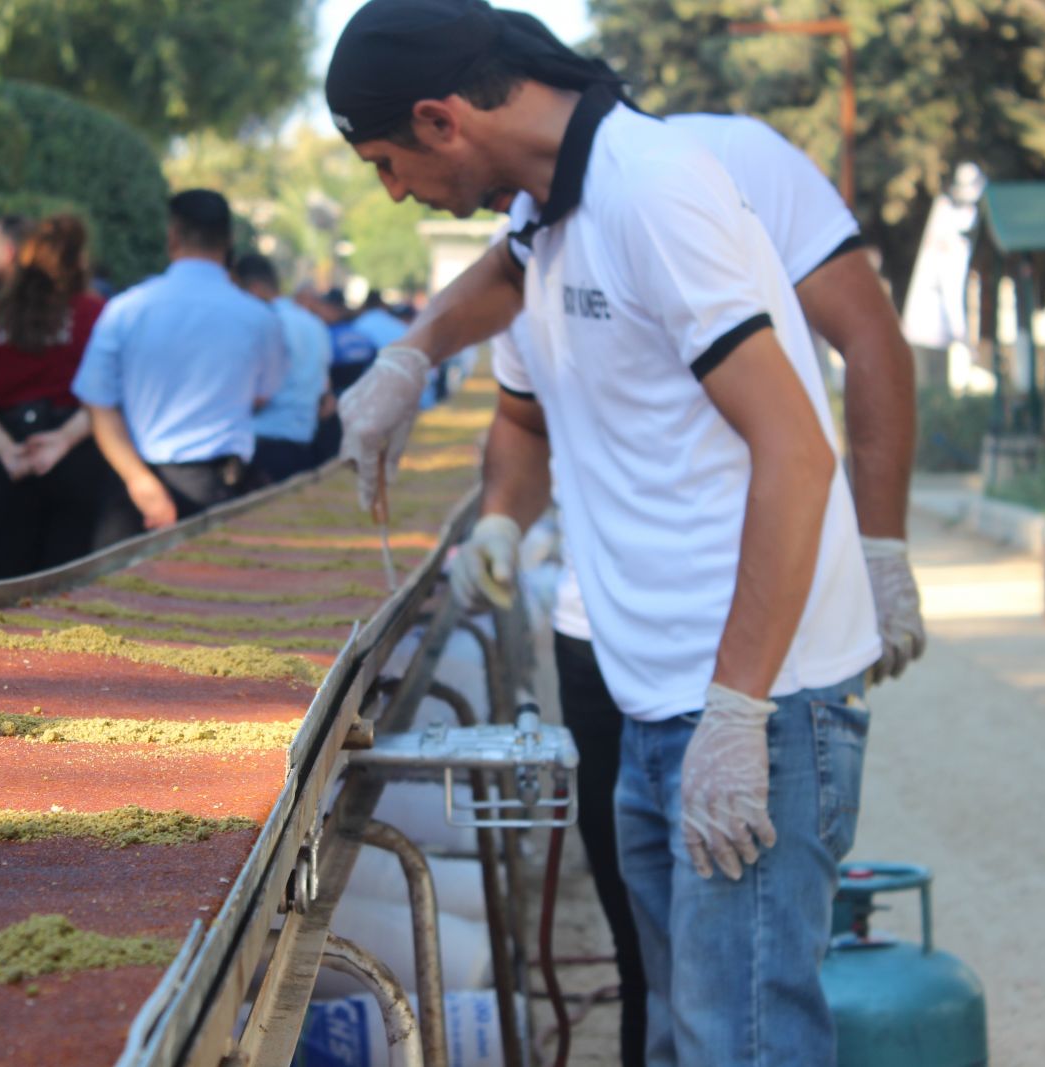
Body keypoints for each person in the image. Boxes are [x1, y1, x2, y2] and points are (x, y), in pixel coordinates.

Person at [325, 4, 882, 1064]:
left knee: (743, 1040)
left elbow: (798, 452)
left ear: (442, 120)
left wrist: (735, 710)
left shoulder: (647, 188)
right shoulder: (552, 206)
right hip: (656, 692)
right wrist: (409, 356)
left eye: (386, 162)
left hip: (751, 697)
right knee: (674, 1029)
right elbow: (503, 280)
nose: (393, 191)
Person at [453, 113, 924, 1066]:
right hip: (621, 650)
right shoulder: (544, 219)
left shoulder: (716, 172)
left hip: (744, 643)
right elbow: (523, 412)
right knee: (666, 985)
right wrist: (501, 510)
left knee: (736, 1011)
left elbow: (866, 354)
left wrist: (880, 547)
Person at [73, 190, 285, 537]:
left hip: (134, 490)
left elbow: (99, 404)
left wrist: (139, 481)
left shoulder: (127, 309)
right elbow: (262, 395)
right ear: (229, 241)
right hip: (217, 489)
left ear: (172, 235)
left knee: (118, 590)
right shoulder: (260, 319)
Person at [0, 214, 120, 578]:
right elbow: (109, 393)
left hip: (13, 453)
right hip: (76, 453)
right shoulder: (95, 313)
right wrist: (63, 439)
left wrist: (4, 448)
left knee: (10, 579)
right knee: (70, 580)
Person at [232, 252, 332, 485]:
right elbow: (325, 390)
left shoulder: (265, 322)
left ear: (254, 288)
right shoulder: (314, 324)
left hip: (264, 441)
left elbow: (259, 395)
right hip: (304, 440)